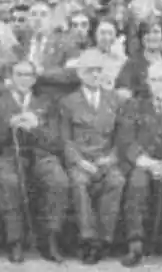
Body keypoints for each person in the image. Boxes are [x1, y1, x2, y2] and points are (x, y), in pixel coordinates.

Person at [0, 59, 67, 263]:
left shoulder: (46, 102)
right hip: (8, 154)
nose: (24, 79)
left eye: (28, 75)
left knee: (58, 179)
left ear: (34, 79)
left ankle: (50, 238)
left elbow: (56, 140)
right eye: (19, 74)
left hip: (40, 154)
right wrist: (9, 124)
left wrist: (36, 127)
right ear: (11, 78)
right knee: (9, 181)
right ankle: (15, 241)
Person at [116, 60, 162, 268]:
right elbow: (127, 140)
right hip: (144, 163)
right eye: (153, 80)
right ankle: (135, 244)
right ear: (147, 82)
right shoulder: (135, 105)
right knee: (137, 182)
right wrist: (147, 163)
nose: (158, 84)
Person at [58, 48, 126, 265]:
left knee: (117, 181)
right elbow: (65, 140)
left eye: (98, 70)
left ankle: (104, 240)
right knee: (78, 183)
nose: (95, 75)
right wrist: (79, 162)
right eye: (90, 71)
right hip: (81, 162)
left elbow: (121, 138)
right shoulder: (68, 102)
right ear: (80, 74)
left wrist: (112, 159)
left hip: (106, 161)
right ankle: (88, 240)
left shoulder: (114, 100)